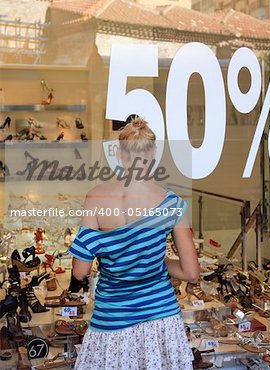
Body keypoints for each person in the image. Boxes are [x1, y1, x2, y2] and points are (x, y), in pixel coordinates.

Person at [69, 117, 200, 370]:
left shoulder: (95, 197)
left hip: (111, 320)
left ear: (119, 153)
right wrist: (154, 260)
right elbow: (191, 273)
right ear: (153, 154)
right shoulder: (171, 203)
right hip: (161, 319)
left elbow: (79, 271)